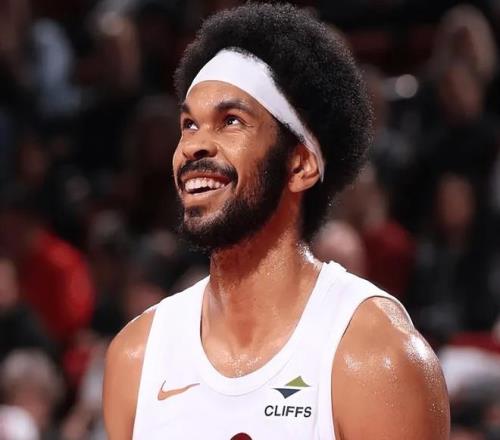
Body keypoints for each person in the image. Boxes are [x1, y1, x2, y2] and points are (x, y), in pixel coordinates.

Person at [103, 3, 450, 439]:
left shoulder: (375, 357)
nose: (193, 146)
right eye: (189, 124)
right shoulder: (136, 357)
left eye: (230, 121)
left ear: (300, 165)